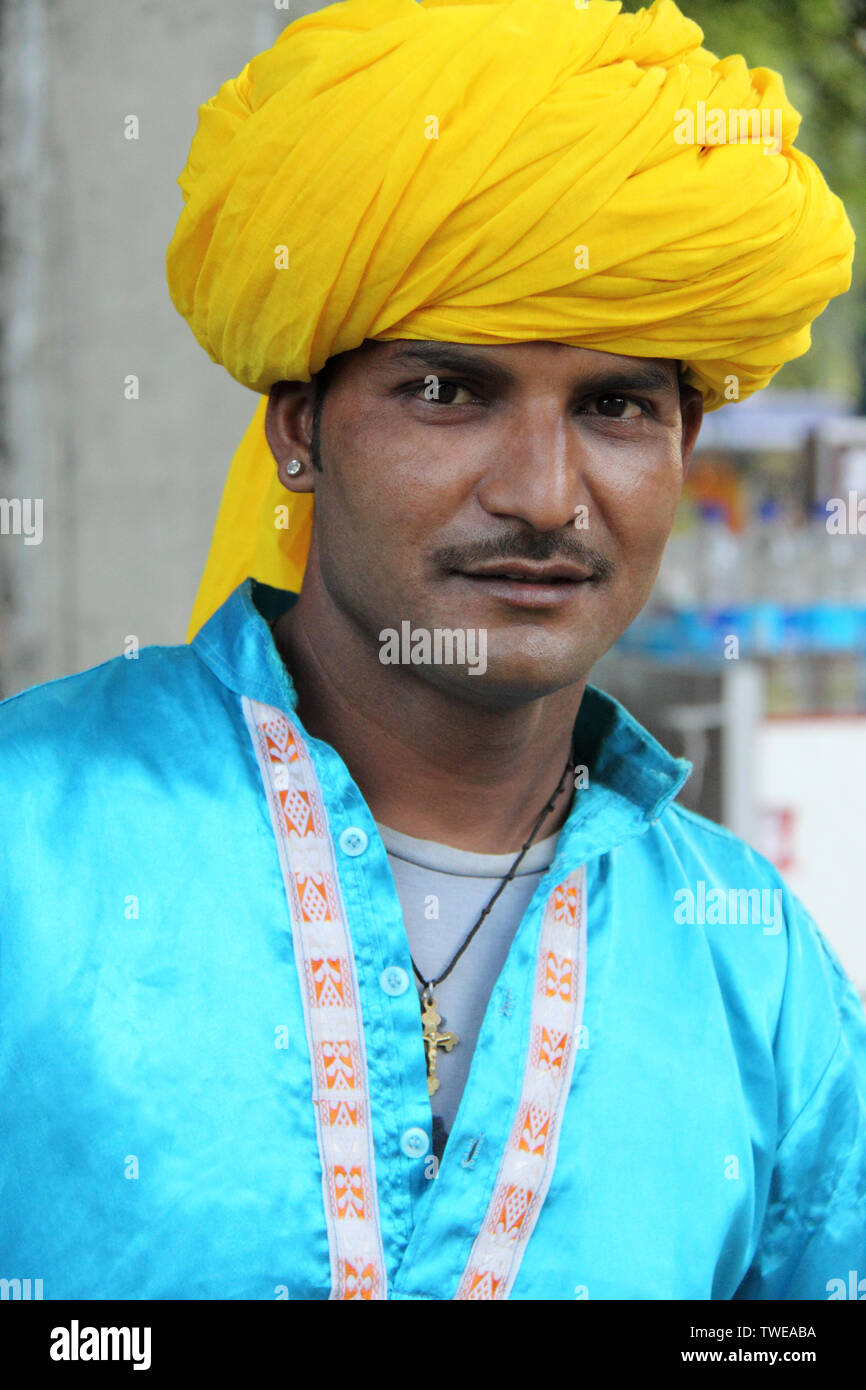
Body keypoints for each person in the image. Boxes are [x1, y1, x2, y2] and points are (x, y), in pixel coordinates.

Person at [1, 0, 863, 1301]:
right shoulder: (29, 844)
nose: (541, 493)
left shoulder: (754, 968)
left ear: (683, 450)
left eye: (616, 405)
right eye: (447, 391)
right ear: (300, 430)